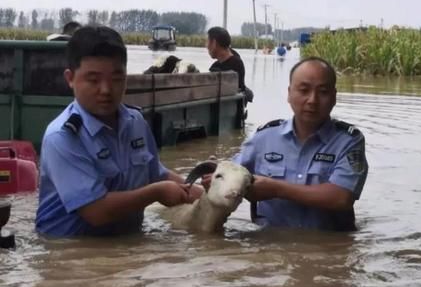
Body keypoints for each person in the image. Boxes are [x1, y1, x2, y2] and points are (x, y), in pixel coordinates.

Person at [36, 25, 203, 237]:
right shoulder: (62, 137)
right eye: (94, 80)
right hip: (70, 251)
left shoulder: (135, 122)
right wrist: (156, 192)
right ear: (70, 78)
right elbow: (96, 211)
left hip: (127, 243)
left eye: (116, 79)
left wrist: (202, 193)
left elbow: (155, 173)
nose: (106, 90)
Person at [233, 57, 368, 231]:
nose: (312, 100)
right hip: (268, 248)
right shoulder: (264, 138)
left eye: (323, 92)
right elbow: (229, 178)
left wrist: (276, 189)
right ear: (289, 94)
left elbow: (341, 197)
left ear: (334, 97)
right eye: (304, 90)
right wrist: (206, 182)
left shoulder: (349, 141)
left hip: (329, 248)